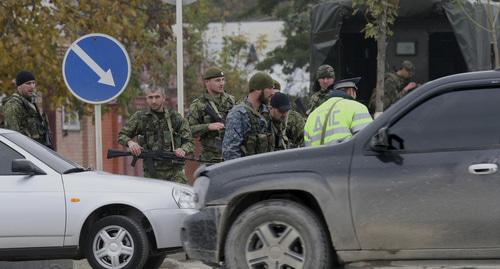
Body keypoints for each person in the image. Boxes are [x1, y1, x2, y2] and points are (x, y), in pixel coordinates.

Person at [118, 87, 194, 183]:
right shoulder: (140, 117)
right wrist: (130, 143)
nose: (153, 101)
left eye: (157, 97)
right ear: (146, 99)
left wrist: (183, 149)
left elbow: (189, 141)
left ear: (163, 98)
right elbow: (122, 135)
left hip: (174, 173)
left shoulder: (174, 117)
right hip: (151, 173)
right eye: (150, 97)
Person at [304, 77, 373, 147]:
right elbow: (367, 141)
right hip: (345, 157)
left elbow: (308, 149)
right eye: (355, 92)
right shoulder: (357, 107)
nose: (356, 95)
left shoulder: (312, 116)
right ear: (350, 91)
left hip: (318, 157)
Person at [222, 72, 274, 160]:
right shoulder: (238, 114)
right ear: (258, 89)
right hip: (245, 170)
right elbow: (230, 151)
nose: (272, 93)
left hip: (264, 169)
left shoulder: (266, 112)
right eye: (269, 88)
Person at [187, 67, 235, 162]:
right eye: (217, 80)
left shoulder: (231, 100)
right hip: (210, 159)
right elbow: (188, 131)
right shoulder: (198, 104)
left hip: (231, 155)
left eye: (223, 80)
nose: (221, 83)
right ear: (207, 82)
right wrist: (208, 126)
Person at [3, 71, 53, 148]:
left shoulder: (31, 103)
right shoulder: (13, 105)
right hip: (25, 151)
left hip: (36, 149)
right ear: (19, 86)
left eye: (33, 83)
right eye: (28, 83)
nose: (32, 86)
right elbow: (14, 137)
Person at [272, 80, 305, 149]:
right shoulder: (262, 116)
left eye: (276, 94)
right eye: (271, 95)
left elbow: (304, 138)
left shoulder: (294, 117)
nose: (273, 98)